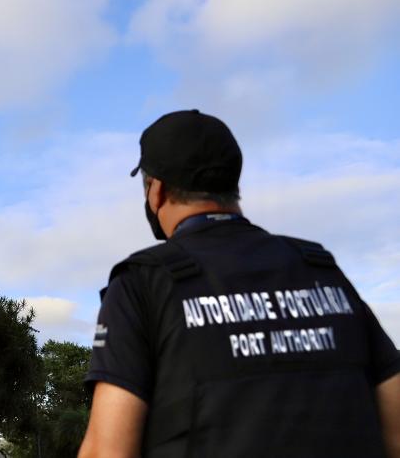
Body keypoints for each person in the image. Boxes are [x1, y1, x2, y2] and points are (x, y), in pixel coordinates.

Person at [78, 110, 400, 458]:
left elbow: (107, 451)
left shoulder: (142, 283)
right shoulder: (321, 268)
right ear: (233, 184)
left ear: (156, 189)